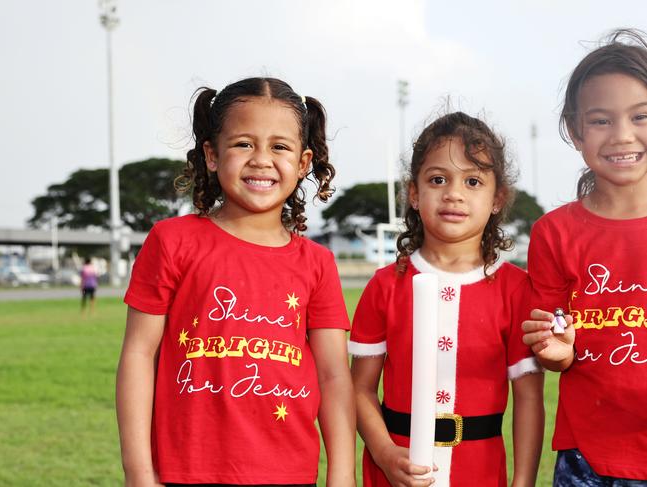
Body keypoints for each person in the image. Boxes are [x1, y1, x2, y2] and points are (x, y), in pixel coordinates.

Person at [115, 77, 355, 486]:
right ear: (212, 155)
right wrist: (140, 474)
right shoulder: (172, 241)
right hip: (186, 473)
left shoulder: (318, 263)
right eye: (244, 143)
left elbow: (333, 376)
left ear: (302, 162)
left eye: (279, 146)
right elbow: (138, 355)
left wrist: (342, 476)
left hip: (289, 474)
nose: (261, 159)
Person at [350, 112, 544, 487]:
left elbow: (529, 400)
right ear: (414, 193)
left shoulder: (516, 290)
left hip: (481, 472)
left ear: (497, 198)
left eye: (473, 181)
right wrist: (385, 454)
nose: (454, 193)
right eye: (438, 179)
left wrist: (522, 483)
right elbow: (359, 389)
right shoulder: (385, 285)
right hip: (395, 470)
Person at [521, 29, 647, 485]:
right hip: (586, 456)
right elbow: (557, 346)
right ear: (575, 131)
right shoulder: (554, 233)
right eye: (600, 121)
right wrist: (556, 351)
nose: (622, 135)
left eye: (641, 116)